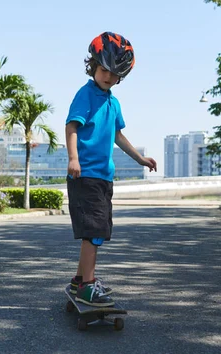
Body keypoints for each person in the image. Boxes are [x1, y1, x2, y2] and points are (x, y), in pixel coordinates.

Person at [65, 32, 157, 307]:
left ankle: (79, 281)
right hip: (85, 175)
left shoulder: (113, 102)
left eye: (115, 74)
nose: (108, 76)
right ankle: (88, 287)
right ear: (93, 65)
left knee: (99, 230)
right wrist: (73, 158)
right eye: (104, 69)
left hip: (104, 176)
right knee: (93, 232)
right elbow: (71, 126)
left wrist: (140, 159)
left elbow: (117, 136)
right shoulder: (86, 95)